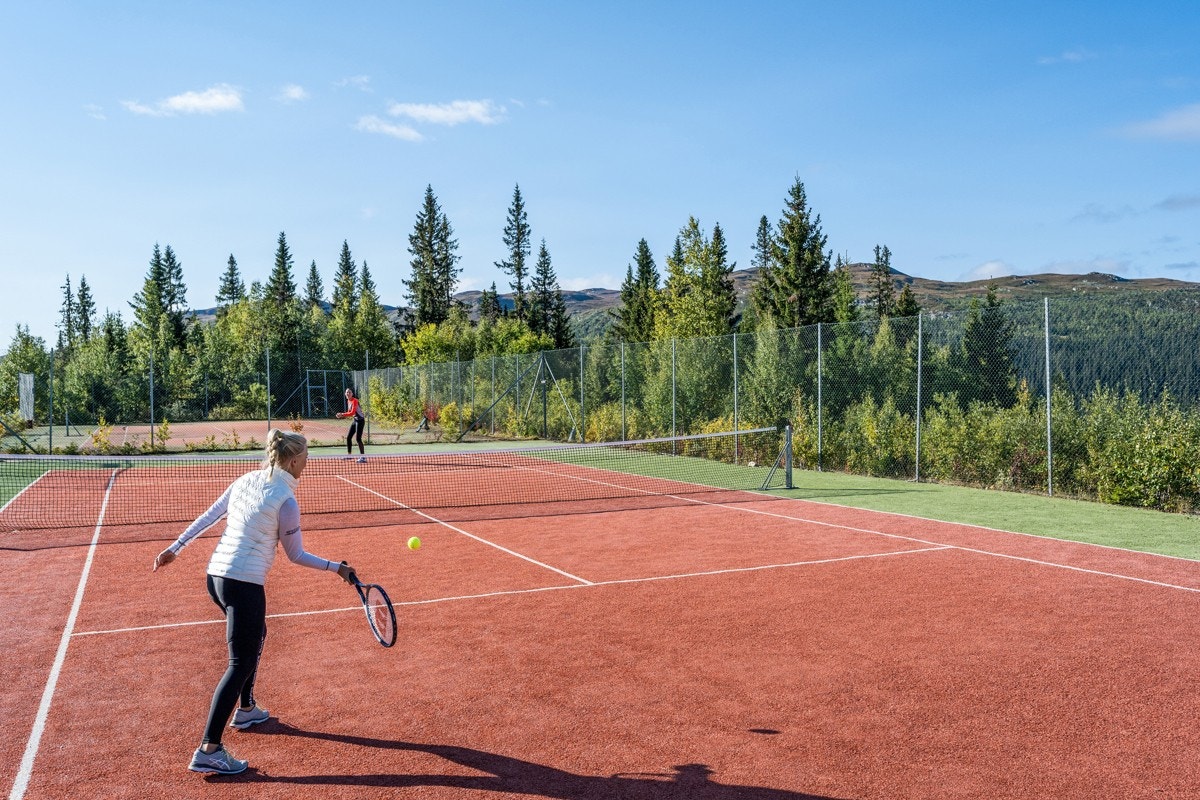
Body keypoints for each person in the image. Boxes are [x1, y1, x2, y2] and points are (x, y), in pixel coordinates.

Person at [153, 429, 357, 775]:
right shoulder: (286, 501)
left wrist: (175, 548)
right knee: (240, 662)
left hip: (216, 578)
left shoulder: (246, 479)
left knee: (257, 635)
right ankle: (209, 749)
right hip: (243, 583)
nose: (308, 463)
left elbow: (209, 515)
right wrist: (336, 568)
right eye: (306, 458)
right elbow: (296, 555)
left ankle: (246, 709)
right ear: (294, 460)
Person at [336, 387, 366, 463]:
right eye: (347, 392)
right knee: (349, 437)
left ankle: (363, 457)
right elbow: (350, 412)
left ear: (352, 394)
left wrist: (342, 414)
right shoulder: (348, 401)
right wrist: (341, 415)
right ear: (345, 394)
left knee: (358, 439)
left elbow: (352, 412)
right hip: (355, 420)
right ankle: (349, 455)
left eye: (349, 392)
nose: (348, 393)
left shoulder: (355, 401)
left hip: (360, 421)